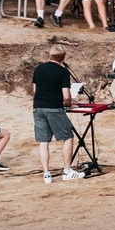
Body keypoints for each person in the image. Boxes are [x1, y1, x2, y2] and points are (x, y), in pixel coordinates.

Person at [30, 42, 84, 183]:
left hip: (38, 107)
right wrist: (68, 103)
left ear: (50, 55)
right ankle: (67, 170)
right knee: (67, 136)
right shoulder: (62, 71)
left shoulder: (39, 69)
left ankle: (46, 173)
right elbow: (66, 95)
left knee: (43, 141)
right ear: (63, 57)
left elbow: (35, 91)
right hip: (53, 108)